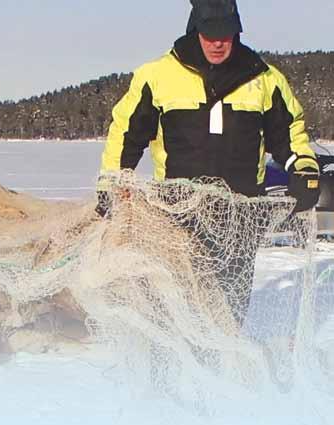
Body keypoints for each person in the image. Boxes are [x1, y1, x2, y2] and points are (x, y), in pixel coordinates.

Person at [96, 0, 320, 325]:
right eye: (209, 34)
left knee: (229, 309)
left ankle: (224, 367)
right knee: (177, 306)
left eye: (226, 34)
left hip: (241, 213)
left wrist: (304, 169)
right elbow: (125, 133)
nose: (217, 42)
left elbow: (290, 134)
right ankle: (172, 370)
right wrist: (110, 182)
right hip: (177, 214)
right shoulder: (157, 76)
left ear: (237, 31)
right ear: (195, 29)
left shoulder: (264, 79)